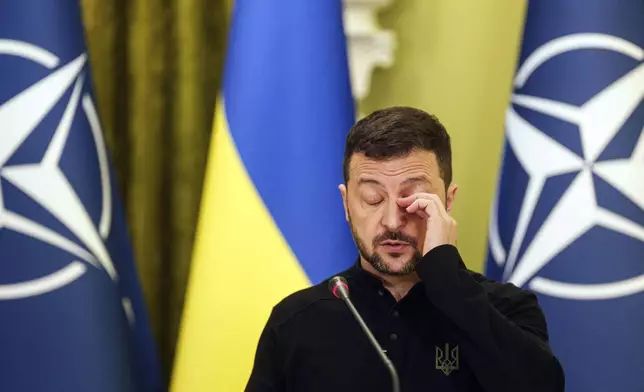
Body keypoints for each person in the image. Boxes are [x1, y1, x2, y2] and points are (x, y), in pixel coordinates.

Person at [245, 106, 565, 391]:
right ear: (346, 204)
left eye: (412, 198)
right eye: (373, 199)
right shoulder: (296, 322)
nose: (392, 221)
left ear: (447, 201)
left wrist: (447, 277)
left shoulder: (507, 308)